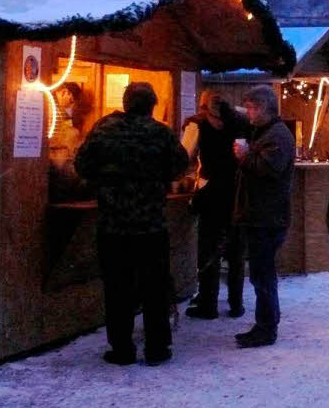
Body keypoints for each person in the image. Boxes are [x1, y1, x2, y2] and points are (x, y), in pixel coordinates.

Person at [75, 82, 189, 367]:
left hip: (113, 225)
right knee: (154, 288)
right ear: (151, 105)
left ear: (126, 103)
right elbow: (180, 165)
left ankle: (122, 349)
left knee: (117, 289)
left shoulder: (104, 129)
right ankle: (157, 348)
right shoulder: (160, 132)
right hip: (151, 225)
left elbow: (81, 165)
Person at [232, 85, 295, 348]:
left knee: (263, 273)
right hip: (262, 215)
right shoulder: (267, 132)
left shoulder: (277, 136)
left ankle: (266, 327)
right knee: (261, 272)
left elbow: (267, 170)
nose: (248, 112)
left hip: (267, 217)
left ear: (264, 107)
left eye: (251, 107)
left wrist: (245, 157)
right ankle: (265, 324)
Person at [181, 90, 249, 320]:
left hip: (210, 194)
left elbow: (183, 157)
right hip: (237, 192)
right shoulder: (241, 123)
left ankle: (208, 304)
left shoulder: (197, 125)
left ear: (202, 106)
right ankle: (236, 304)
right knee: (236, 251)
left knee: (208, 250)